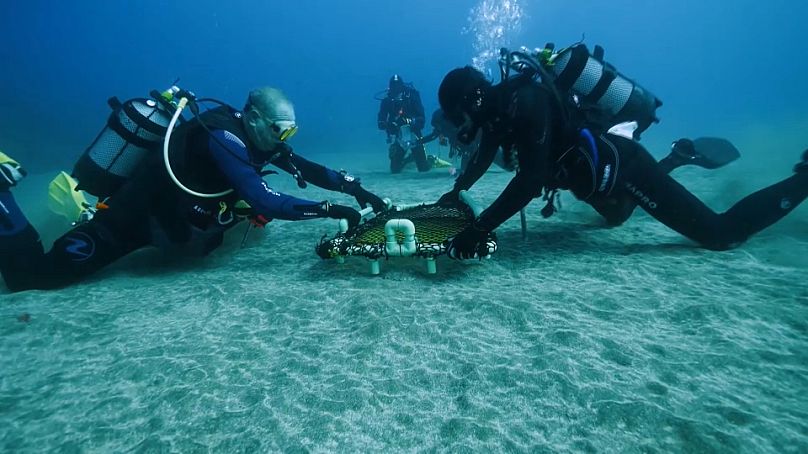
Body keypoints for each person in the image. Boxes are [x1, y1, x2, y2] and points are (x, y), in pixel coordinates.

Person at [0, 87, 387, 291]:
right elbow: (263, 198)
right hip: (130, 222)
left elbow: (303, 166)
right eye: (280, 129)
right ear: (253, 119)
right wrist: (331, 210)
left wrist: (356, 189)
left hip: (174, 221)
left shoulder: (258, 137)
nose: (284, 138)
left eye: (291, 130)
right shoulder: (224, 138)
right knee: (32, 277)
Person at [434, 66, 808, 259]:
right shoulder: (500, 112)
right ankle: (676, 158)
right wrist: (457, 190)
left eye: (459, 116)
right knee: (618, 216)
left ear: (474, 101)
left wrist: (481, 228)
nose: (461, 127)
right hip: (591, 180)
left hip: (623, 167)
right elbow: (484, 155)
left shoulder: (526, 101)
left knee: (720, 234)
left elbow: (530, 181)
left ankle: (803, 179)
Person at [377, 74, 431, 173]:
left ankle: (423, 159)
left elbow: (421, 118)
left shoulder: (412, 96)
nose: (395, 89)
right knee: (395, 169)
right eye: (393, 86)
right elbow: (381, 119)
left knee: (423, 168)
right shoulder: (387, 101)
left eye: (397, 86)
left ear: (402, 86)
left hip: (414, 134)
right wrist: (388, 125)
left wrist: (409, 121)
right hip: (398, 136)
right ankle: (408, 160)